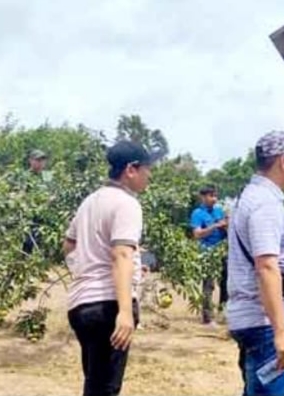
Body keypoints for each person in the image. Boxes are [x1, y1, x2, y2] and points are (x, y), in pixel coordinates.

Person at [62, 140, 156, 396]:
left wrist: (86, 270)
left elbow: (69, 245)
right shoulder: (127, 203)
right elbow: (121, 253)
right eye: (147, 169)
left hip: (82, 305)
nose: (150, 176)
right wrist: (125, 311)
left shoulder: (90, 202)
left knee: (95, 383)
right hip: (107, 305)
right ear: (131, 169)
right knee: (104, 389)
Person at [227, 130, 284, 396]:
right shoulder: (265, 204)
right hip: (263, 320)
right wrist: (281, 333)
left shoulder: (247, 198)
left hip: (250, 317)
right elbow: (266, 267)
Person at [190, 185, 229, 326]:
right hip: (207, 253)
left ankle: (223, 311)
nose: (214, 199)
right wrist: (215, 226)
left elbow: (226, 229)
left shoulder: (219, 211)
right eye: (211, 196)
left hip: (222, 251)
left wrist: (226, 225)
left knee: (226, 282)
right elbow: (197, 234)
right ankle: (207, 317)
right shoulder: (197, 213)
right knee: (208, 285)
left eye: (215, 196)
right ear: (203, 197)